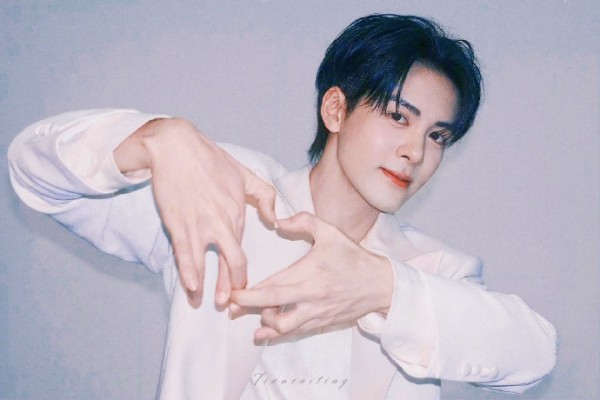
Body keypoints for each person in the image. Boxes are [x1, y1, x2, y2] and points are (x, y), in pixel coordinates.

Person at [8, 14, 556, 399]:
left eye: (438, 135)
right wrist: (155, 137)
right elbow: (33, 168)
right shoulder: (229, 196)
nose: (416, 151)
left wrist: (383, 287)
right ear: (335, 109)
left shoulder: (431, 269)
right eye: (397, 116)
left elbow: (533, 357)